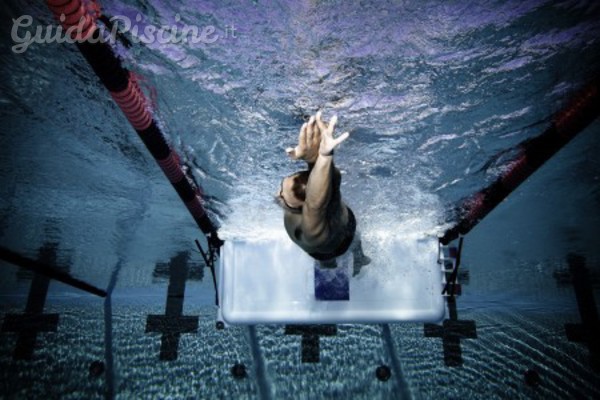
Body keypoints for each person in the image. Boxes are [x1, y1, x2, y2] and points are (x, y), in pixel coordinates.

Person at [276, 111, 369, 272]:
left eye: (283, 196)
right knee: (331, 189)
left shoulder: (312, 231)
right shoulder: (326, 188)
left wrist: (324, 156)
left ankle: (354, 259)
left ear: (301, 207)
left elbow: (315, 205)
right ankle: (348, 260)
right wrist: (314, 160)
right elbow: (325, 180)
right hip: (338, 223)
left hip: (335, 243)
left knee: (330, 253)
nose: (278, 194)